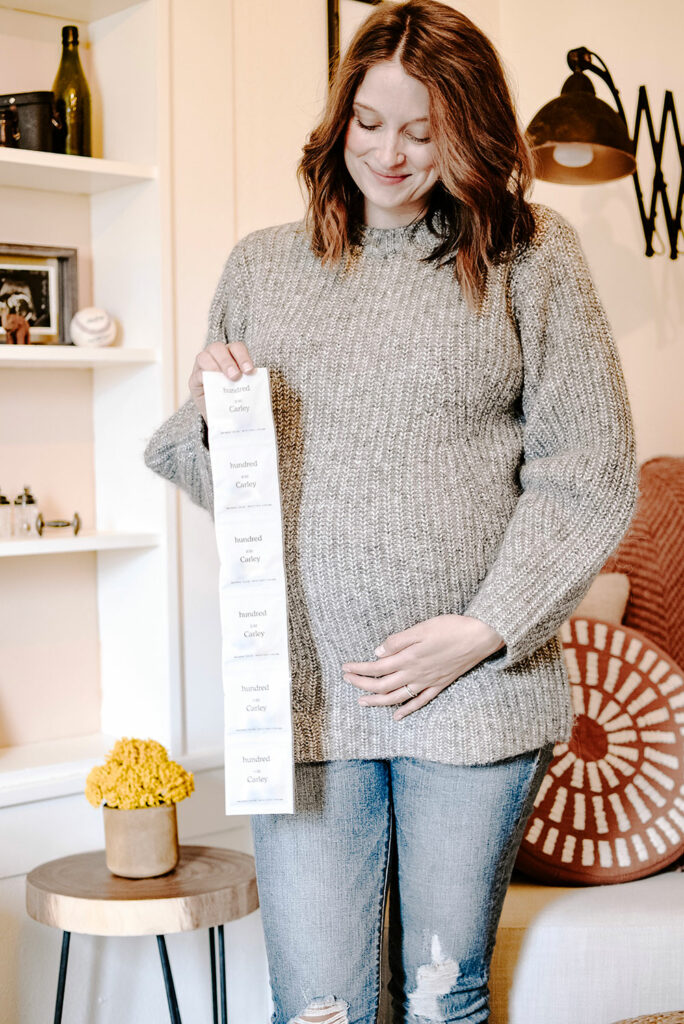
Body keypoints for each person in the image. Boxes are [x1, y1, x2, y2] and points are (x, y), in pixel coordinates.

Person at [144, 2, 638, 1021]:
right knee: (319, 1005)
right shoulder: (263, 265)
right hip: (310, 695)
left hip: (474, 699)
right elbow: (237, 491)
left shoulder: (530, 260)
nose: (392, 153)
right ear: (339, 119)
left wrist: (483, 629)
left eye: (427, 129)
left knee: (440, 993)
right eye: (371, 122)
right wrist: (217, 413)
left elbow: (590, 470)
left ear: (474, 130)